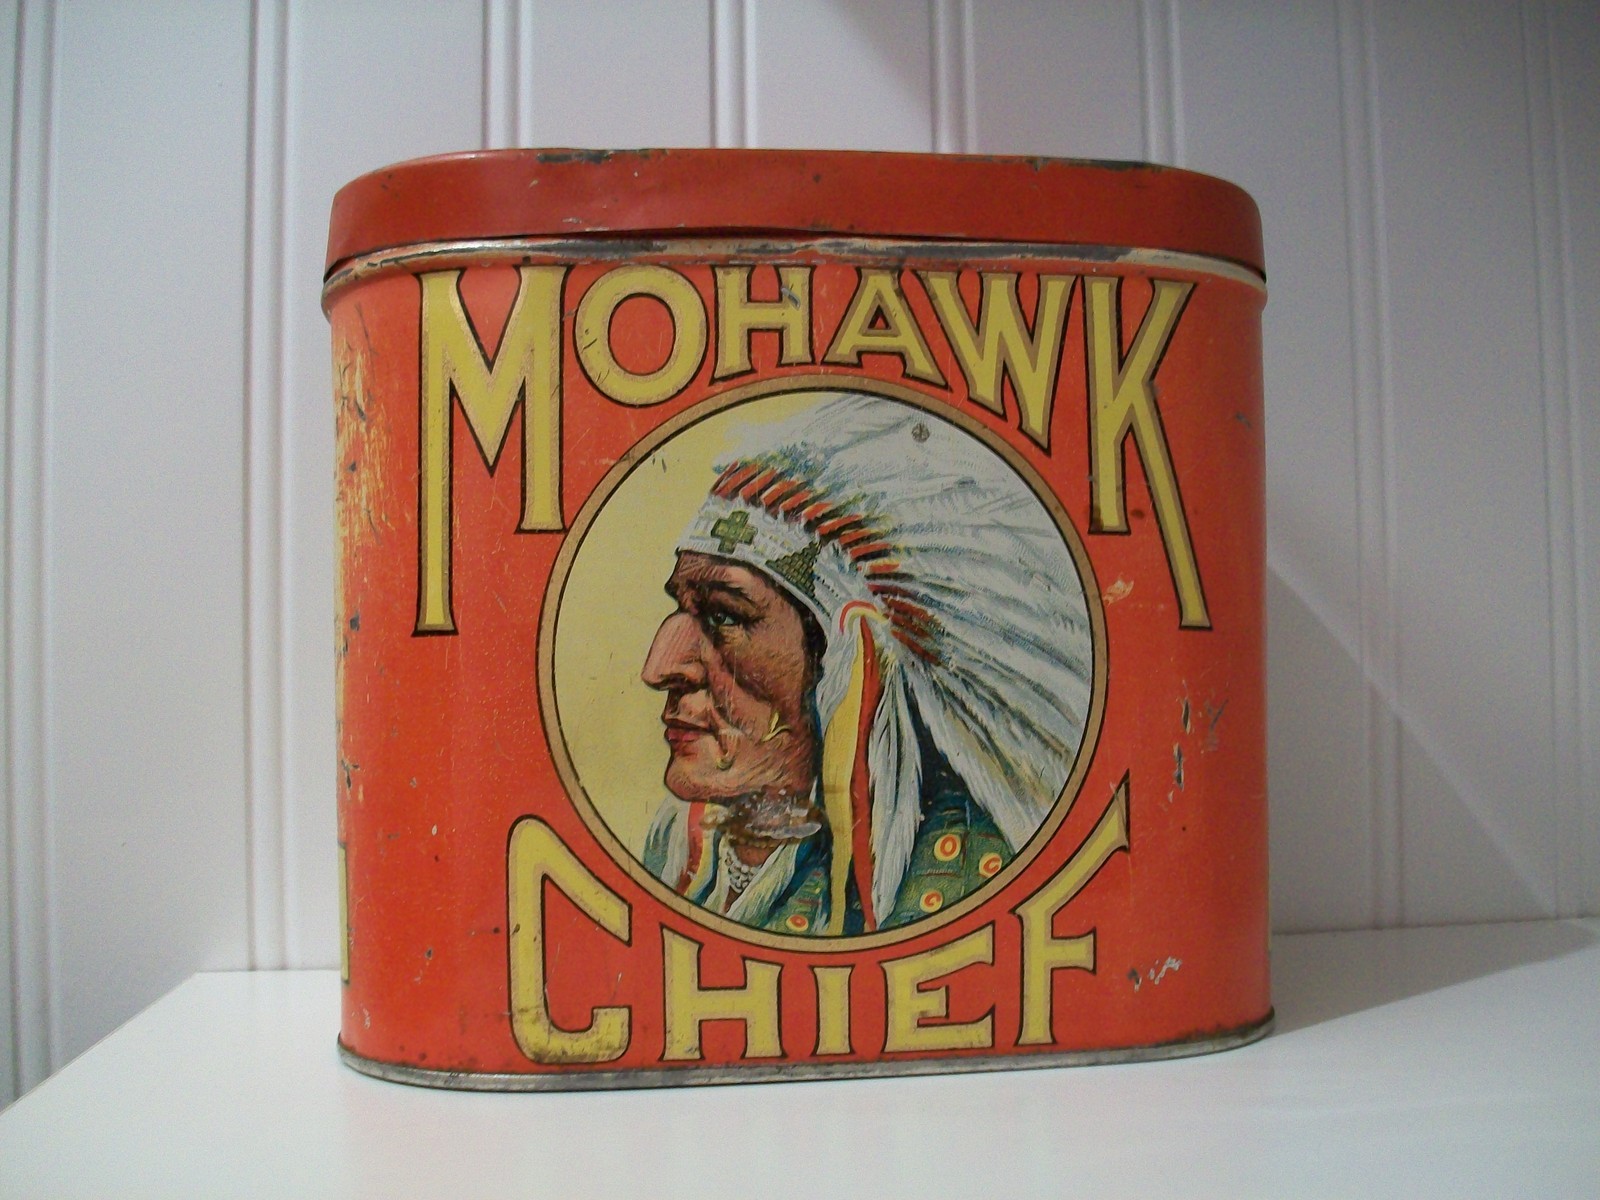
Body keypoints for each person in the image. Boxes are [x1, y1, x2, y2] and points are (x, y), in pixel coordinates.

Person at [640, 391, 1092, 935]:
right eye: (682, 609)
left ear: (845, 660)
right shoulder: (678, 847)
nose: (660, 666)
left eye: (725, 616)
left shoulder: (960, 881)